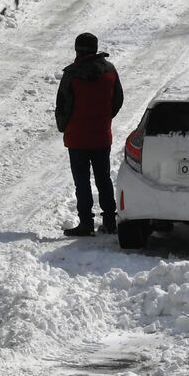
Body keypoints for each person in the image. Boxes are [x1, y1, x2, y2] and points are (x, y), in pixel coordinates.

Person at [54, 33, 123, 237]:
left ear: (77, 50)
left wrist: (64, 126)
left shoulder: (72, 75)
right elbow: (118, 99)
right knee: (103, 178)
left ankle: (86, 223)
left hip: (77, 138)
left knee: (82, 181)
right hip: (101, 136)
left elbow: (62, 105)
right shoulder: (109, 71)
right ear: (95, 48)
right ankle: (110, 221)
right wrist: (105, 117)